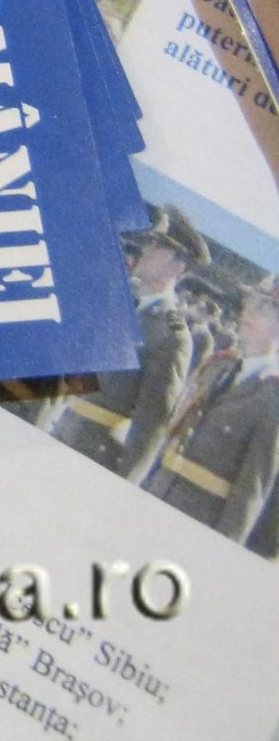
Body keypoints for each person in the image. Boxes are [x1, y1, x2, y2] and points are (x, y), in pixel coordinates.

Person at [53, 207, 208, 479]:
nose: (146, 250)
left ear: (177, 267)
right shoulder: (127, 303)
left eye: (158, 247)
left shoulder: (173, 336)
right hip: (64, 429)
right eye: (150, 242)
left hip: (96, 455)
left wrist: (125, 484)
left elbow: (151, 425)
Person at [147, 273, 279, 550]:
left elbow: (249, 495)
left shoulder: (272, 398)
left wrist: (220, 555)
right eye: (251, 302)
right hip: (157, 497)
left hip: (197, 528)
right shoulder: (221, 366)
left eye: (265, 308)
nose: (249, 312)